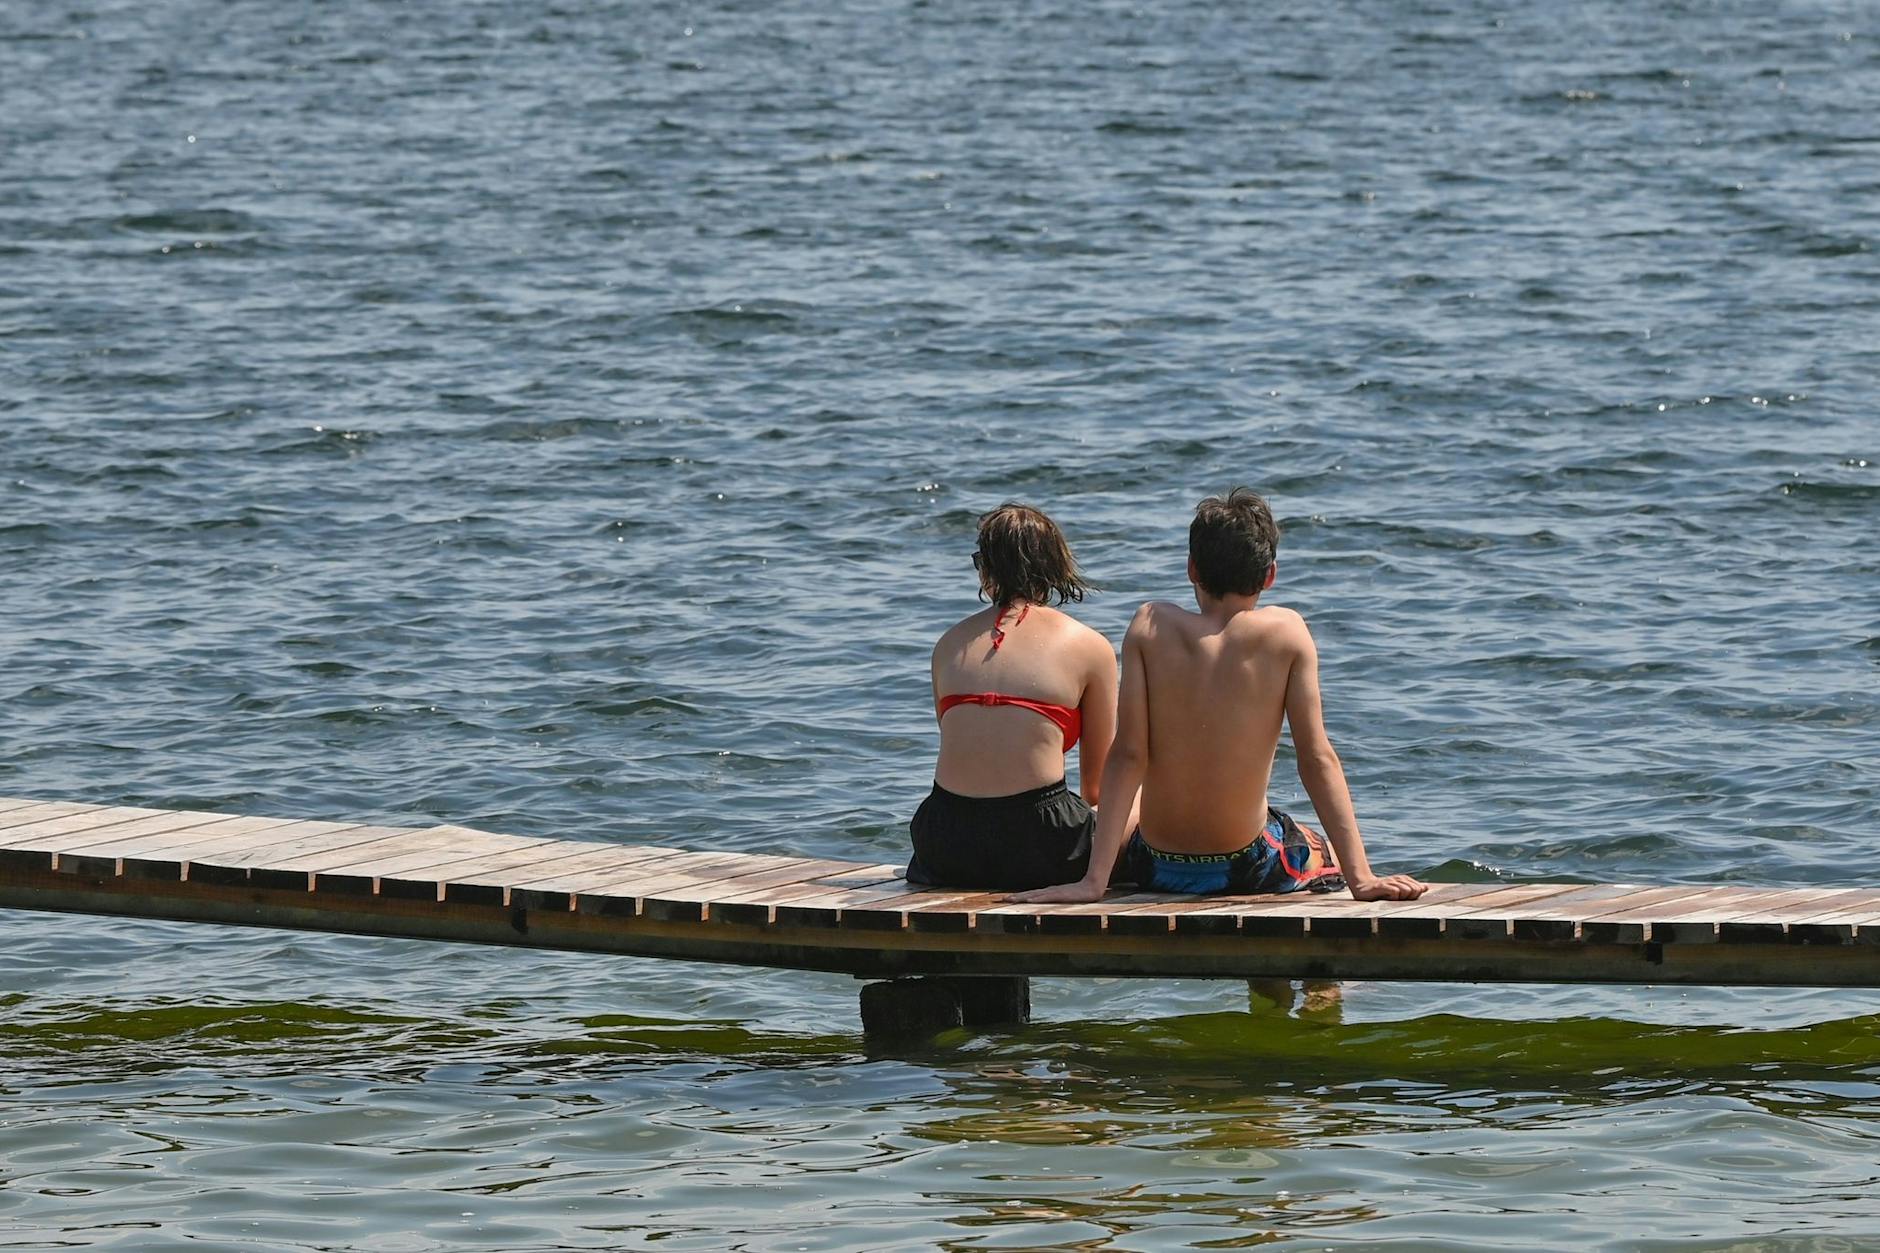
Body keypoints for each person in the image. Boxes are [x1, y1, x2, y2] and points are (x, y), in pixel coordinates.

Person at [1012, 488, 1427, 904]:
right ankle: (1291, 969)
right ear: (1270, 576)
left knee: (1137, 807)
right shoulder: (1286, 632)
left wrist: (1094, 882)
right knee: (1322, 851)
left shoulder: (1149, 626)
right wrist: (1361, 878)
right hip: (1245, 864)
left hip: (1156, 863)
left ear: (1192, 569)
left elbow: (1128, 755)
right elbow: (1315, 757)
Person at [906, 503, 1121, 891]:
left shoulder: (947, 645)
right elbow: (1097, 789)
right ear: (1054, 566)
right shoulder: (1090, 646)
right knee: (1132, 809)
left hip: (943, 842)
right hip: (1040, 842)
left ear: (987, 570)